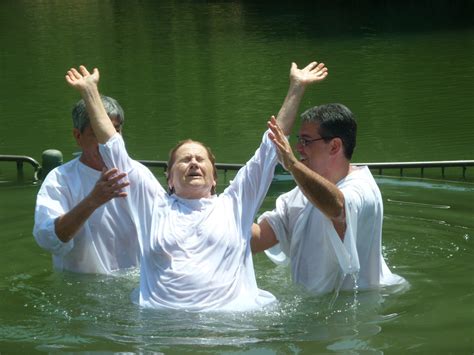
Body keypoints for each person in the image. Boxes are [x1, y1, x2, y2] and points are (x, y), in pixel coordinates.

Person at [65, 61, 328, 311]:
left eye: (200, 159)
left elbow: (271, 145)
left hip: (230, 327)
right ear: (168, 178)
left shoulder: (234, 205)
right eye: (184, 159)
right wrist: (90, 92)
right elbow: (113, 147)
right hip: (160, 325)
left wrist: (297, 86)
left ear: (215, 178)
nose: (193, 163)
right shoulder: (152, 205)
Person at [251, 103, 407, 294]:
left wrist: (292, 165)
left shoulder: (362, 188)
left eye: (306, 141)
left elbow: (337, 208)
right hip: (311, 308)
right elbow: (255, 239)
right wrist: (214, 207)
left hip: (355, 311)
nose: (298, 147)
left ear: (334, 146)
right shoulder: (299, 195)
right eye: (299, 140)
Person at [33, 96, 154, 274]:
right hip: (79, 285)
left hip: (135, 285)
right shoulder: (60, 179)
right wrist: (92, 201)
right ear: (78, 136)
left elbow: (168, 229)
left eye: (114, 132)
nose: (106, 143)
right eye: (97, 134)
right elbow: (48, 239)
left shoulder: (138, 173)